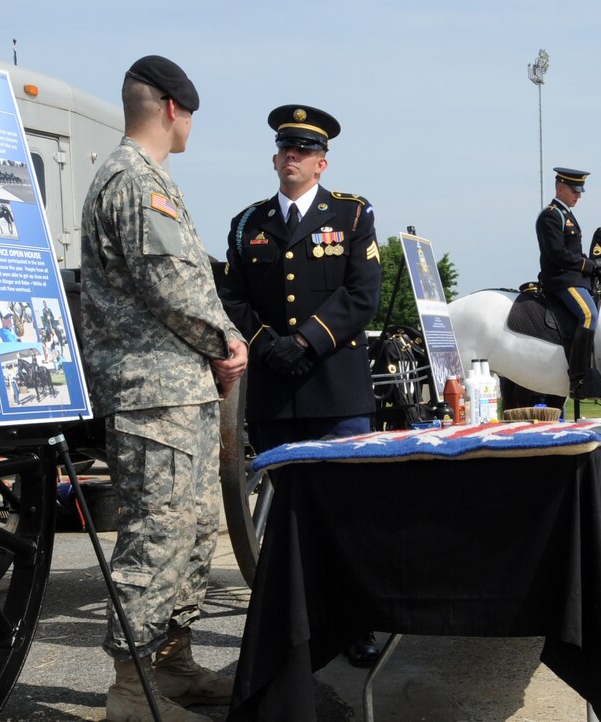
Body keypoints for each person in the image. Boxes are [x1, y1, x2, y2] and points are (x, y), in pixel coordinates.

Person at [80, 55, 248, 722]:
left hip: (180, 395)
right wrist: (227, 343)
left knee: (195, 531)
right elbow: (172, 285)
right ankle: (131, 691)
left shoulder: (152, 180)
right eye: (191, 117)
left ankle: (171, 668)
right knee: (156, 537)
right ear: (174, 110)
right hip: (153, 395)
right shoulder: (132, 180)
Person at [218, 104, 382, 666]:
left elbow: (363, 294)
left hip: (335, 388)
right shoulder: (247, 223)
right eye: (286, 147)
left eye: (304, 150)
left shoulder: (354, 216)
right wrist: (266, 343)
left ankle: (355, 622)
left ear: (321, 163)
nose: (293, 156)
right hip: (275, 392)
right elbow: (232, 297)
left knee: (348, 512)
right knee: (287, 518)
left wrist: (308, 340)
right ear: (274, 157)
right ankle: (295, 625)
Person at [536, 167, 601, 399]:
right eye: (574, 191)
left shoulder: (566, 214)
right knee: (589, 315)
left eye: (580, 191)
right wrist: (587, 265)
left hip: (574, 277)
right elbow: (557, 253)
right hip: (560, 279)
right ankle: (579, 378)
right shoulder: (551, 215)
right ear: (560, 188)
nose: (579, 195)